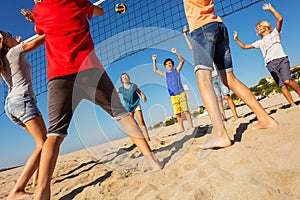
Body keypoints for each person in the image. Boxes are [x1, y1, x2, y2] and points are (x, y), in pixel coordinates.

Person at [32, 1, 163, 199]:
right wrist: (89, 7)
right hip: (89, 69)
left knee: (55, 134)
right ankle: (152, 161)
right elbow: (99, 11)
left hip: (59, 77)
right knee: (122, 115)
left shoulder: (39, 10)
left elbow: (40, 29)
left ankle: (41, 191)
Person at [182, 0, 278, 149]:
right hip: (219, 26)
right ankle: (265, 119)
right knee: (230, 79)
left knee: (203, 79)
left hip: (202, 28)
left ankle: (221, 135)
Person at [0, 30, 47, 200]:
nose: (13, 35)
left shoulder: (6, 58)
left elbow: (18, 58)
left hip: (11, 106)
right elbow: (43, 39)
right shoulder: (15, 51)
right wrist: (59, 23)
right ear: (5, 41)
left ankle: (36, 181)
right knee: (44, 143)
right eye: (9, 34)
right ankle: (18, 189)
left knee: (42, 141)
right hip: (22, 101)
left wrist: (15, 43)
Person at [233, 3, 300, 107]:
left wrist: (271, 9)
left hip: (281, 59)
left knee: (287, 81)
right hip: (270, 64)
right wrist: (237, 39)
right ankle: (292, 104)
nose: (257, 28)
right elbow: (244, 47)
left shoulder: (275, 34)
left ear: (266, 26)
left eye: (260, 26)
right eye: (256, 28)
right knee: (282, 86)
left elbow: (280, 19)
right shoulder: (259, 43)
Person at [183, 25, 239, 122]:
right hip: (211, 78)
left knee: (227, 96)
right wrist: (185, 34)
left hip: (220, 75)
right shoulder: (200, 52)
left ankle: (236, 116)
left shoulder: (212, 49)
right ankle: (224, 118)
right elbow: (191, 46)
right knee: (218, 99)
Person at [152, 48, 194, 132]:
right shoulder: (165, 74)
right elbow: (155, 70)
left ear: (172, 64)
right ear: (165, 66)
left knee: (186, 110)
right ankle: (182, 129)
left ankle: (192, 126)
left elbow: (182, 61)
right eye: (167, 64)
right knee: (178, 114)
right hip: (173, 96)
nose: (169, 65)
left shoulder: (176, 70)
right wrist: (154, 60)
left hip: (181, 93)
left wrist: (176, 52)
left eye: (170, 63)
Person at [118, 73, 151, 142]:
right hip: (128, 107)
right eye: (123, 77)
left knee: (141, 121)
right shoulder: (121, 89)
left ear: (128, 78)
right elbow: (114, 92)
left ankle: (147, 138)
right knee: (132, 124)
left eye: (126, 76)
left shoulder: (133, 85)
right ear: (121, 80)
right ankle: (135, 140)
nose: (125, 77)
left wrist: (143, 96)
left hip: (136, 104)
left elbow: (140, 92)